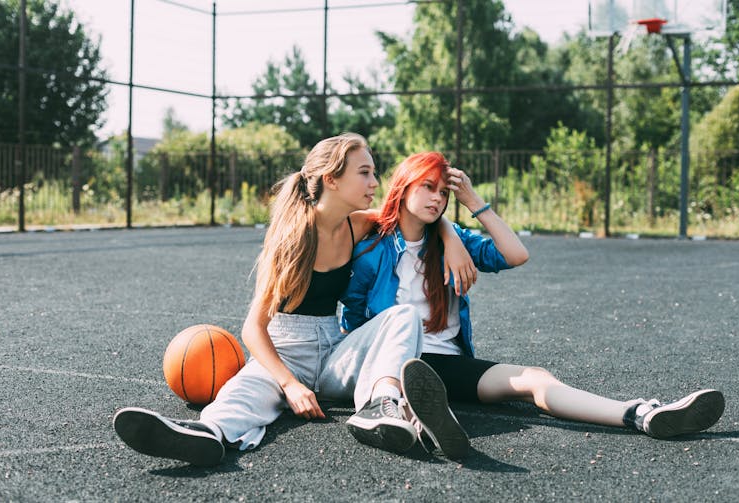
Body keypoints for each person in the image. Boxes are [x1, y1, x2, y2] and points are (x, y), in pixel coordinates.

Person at [113, 134, 476, 466]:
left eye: (374, 173)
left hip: (335, 350)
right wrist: (289, 383)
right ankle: (205, 434)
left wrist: (450, 237)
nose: (374, 183)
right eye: (364, 173)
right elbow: (253, 328)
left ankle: (381, 405)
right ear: (332, 179)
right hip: (287, 351)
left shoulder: (358, 224)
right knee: (244, 391)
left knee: (404, 318)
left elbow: (412, 215)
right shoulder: (292, 237)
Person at [341, 151, 725, 448]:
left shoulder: (450, 238)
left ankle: (639, 412)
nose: (437, 198)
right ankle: (406, 411)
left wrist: (473, 204)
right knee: (416, 370)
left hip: (450, 364)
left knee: (535, 380)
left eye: (443, 192)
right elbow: (356, 320)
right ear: (405, 186)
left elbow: (514, 254)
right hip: (402, 361)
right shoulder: (371, 248)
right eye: (427, 187)